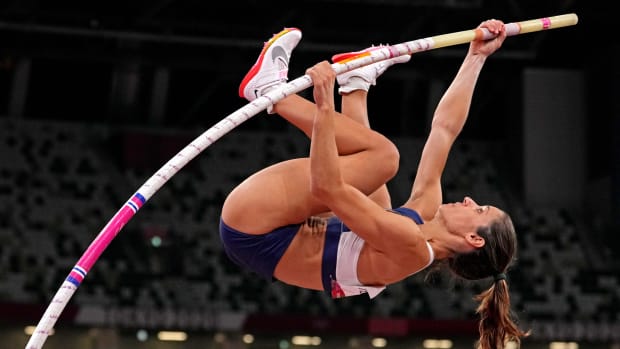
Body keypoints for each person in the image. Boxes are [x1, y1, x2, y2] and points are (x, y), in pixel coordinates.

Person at [220, 20, 529, 349]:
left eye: (479, 209)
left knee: (384, 158)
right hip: (280, 227)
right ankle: (355, 84)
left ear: (472, 239)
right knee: (378, 185)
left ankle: (269, 92)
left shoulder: (410, 246)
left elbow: (326, 186)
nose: (469, 199)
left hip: (254, 229)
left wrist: (323, 105)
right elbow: (444, 130)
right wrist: (475, 57)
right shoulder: (421, 218)